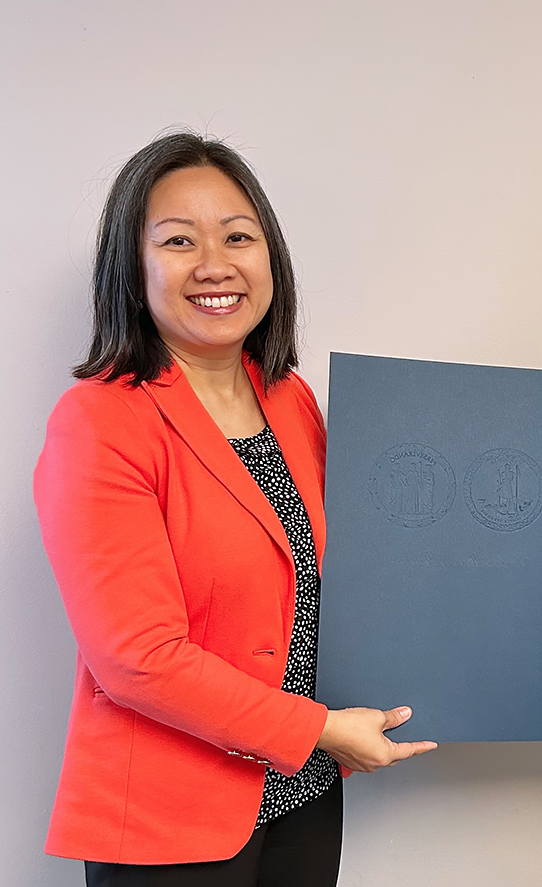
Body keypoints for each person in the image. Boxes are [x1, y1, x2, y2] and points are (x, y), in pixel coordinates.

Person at [33, 132, 436, 887]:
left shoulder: (290, 399)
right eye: (179, 241)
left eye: (238, 237)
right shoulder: (99, 420)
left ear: (270, 260)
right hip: (167, 817)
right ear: (134, 268)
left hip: (303, 794)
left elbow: (350, 574)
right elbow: (136, 657)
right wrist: (318, 728)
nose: (215, 265)